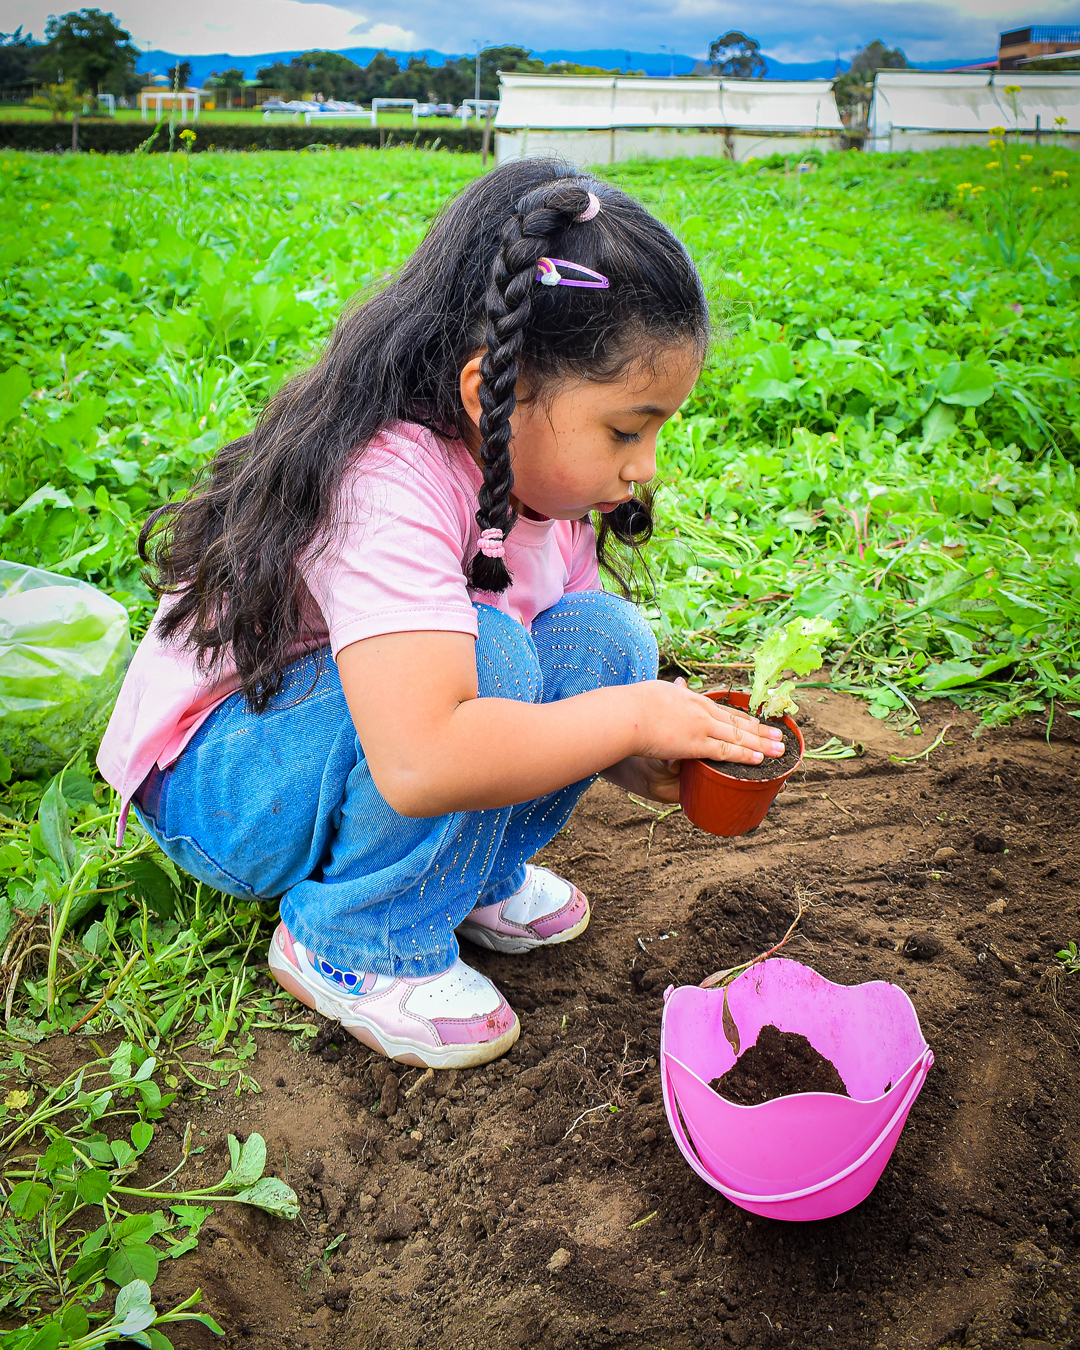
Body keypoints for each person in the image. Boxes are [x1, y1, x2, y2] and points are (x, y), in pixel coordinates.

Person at [98, 159, 784, 1069]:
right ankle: (353, 940)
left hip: (348, 745)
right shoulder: (386, 480)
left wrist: (628, 751)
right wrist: (629, 715)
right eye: (626, 428)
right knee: (491, 655)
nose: (646, 464)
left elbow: (569, 679)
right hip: (228, 786)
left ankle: (463, 877)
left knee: (606, 639)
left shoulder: (540, 491)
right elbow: (422, 759)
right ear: (486, 393)